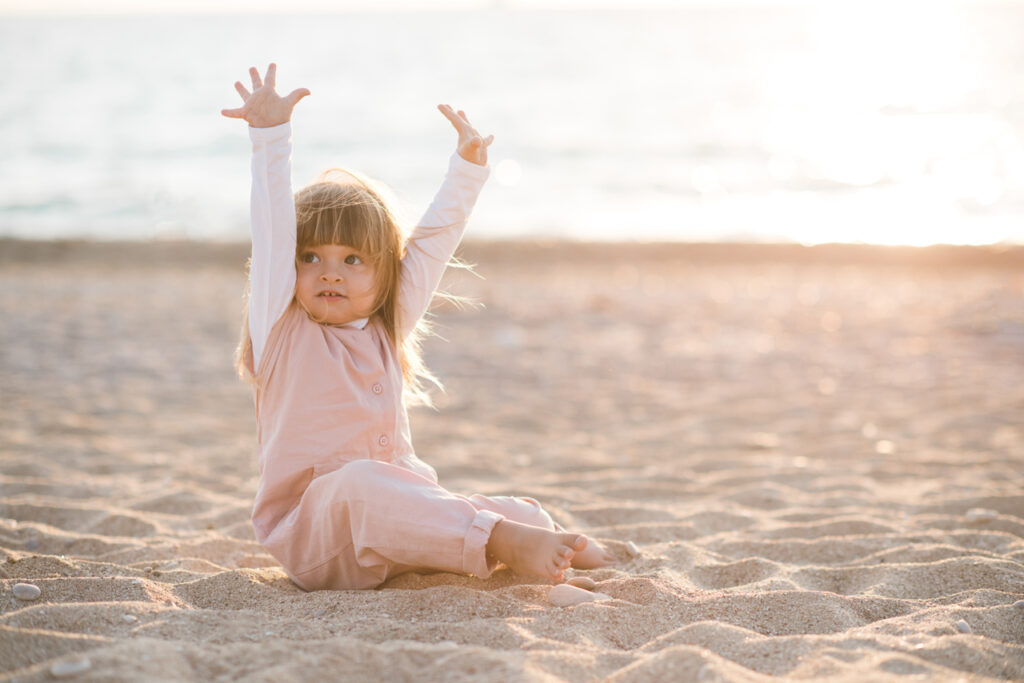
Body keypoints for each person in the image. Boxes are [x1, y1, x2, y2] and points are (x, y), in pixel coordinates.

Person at [222, 64, 615, 591]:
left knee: (514, 510)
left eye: (353, 260)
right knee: (362, 483)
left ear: (385, 273)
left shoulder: (385, 327)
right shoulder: (281, 329)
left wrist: (466, 172)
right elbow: (271, 232)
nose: (330, 271)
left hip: (399, 525)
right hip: (317, 538)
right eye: (310, 256)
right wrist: (270, 137)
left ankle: (534, 534)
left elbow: (429, 248)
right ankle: (502, 543)